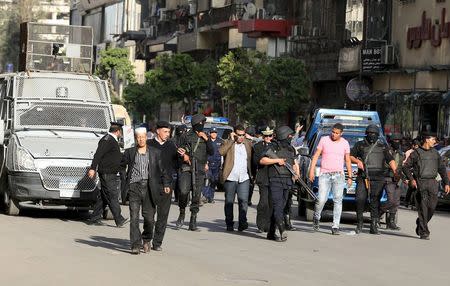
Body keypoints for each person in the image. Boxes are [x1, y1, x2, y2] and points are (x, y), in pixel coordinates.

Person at [121, 128, 172, 254]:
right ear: (135, 138)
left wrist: (166, 183)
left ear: (146, 137)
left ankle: (147, 238)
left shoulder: (155, 153)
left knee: (149, 218)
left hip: (150, 188)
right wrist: (125, 179)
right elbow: (121, 166)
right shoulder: (130, 152)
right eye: (138, 137)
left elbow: (163, 170)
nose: (141, 139)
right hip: (134, 187)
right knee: (134, 217)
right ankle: (135, 245)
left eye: (143, 137)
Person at [350, 124, 397, 235]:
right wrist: (358, 162)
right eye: (370, 133)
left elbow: (390, 160)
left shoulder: (383, 146)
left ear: (378, 135)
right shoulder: (359, 145)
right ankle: (359, 223)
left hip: (378, 178)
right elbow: (350, 156)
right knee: (360, 199)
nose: (372, 135)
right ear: (366, 134)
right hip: (363, 177)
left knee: (375, 202)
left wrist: (395, 171)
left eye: (374, 134)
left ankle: (373, 226)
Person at [402, 132, 450, 240]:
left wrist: (446, 183)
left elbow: (442, 169)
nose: (435, 141)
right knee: (423, 208)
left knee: (432, 207)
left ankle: (421, 222)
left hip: (433, 183)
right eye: (433, 139)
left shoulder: (436, 153)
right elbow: (405, 167)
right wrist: (411, 179)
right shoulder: (416, 153)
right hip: (421, 183)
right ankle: (424, 232)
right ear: (426, 140)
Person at [308, 123, 352, 235]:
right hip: (325, 174)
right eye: (333, 132)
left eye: (337, 133)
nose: (334, 134)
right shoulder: (324, 140)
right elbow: (316, 156)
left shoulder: (345, 143)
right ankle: (317, 216)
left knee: (338, 200)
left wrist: (350, 176)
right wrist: (312, 171)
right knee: (321, 199)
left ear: (341, 133)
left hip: (339, 175)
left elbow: (347, 160)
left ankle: (335, 226)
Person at [260, 126, 300, 242]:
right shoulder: (272, 147)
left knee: (280, 207)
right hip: (275, 179)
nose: (291, 137)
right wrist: (277, 160)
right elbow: (262, 160)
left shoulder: (291, 149)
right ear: (284, 135)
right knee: (278, 206)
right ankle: (282, 229)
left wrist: (296, 173)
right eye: (290, 136)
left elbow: (294, 162)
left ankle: (271, 233)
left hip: (287, 180)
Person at [176, 114, 214, 231]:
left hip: (200, 170)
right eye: (201, 123)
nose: (202, 125)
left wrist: (206, 139)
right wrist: (184, 156)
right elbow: (179, 150)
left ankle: (193, 220)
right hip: (187, 168)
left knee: (196, 196)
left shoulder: (205, 137)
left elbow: (212, 151)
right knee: (183, 192)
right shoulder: (186, 136)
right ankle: (182, 212)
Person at [88, 122, 128, 227]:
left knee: (104, 196)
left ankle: (94, 217)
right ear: (118, 131)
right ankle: (119, 219)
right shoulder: (107, 140)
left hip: (111, 172)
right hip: (107, 173)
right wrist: (93, 168)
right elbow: (98, 155)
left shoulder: (111, 140)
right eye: (121, 132)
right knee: (112, 196)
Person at [219, 125, 253, 231]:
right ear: (234, 134)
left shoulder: (248, 144)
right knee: (229, 202)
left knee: (243, 201)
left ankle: (242, 222)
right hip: (231, 177)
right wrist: (231, 140)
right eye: (239, 135)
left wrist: (252, 138)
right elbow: (221, 152)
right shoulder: (228, 142)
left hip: (244, 177)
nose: (241, 137)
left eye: (243, 135)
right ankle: (229, 223)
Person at [147, 121, 179, 202]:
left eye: (169, 132)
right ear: (158, 131)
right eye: (165, 132)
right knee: (149, 212)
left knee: (163, 212)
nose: (168, 134)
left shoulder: (171, 145)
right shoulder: (149, 144)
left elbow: (176, 163)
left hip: (167, 182)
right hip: (151, 182)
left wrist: (181, 156)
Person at [380, 133, 405, 230]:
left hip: (398, 179)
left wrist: (404, 178)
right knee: (390, 200)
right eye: (395, 141)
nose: (397, 142)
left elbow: (401, 166)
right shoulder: (387, 151)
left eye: (399, 141)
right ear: (391, 141)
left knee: (396, 202)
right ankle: (378, 213)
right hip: (388, 177)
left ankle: (391, 221)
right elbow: (385, 164)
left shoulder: (401, 153)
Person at [253, 126, 274, 232]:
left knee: (272, 203)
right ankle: (261, 225)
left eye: (270, 135)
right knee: (263, 202)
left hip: (274, 178)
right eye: (266, 135)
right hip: (263, 177)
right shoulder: (257, 146)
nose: (268, 137)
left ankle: (270, 225)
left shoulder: (276, 145)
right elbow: (256, 161)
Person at [203, 127, 223, 203]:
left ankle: (211, 197)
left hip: (217, 164)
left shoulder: (220, 141)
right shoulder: (206, 141)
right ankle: (205, 196)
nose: (214, 134)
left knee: (214, 181)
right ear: (210, 133)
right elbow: (204, 152)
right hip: (208, 164)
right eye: (212, 132)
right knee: (207, 180)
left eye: (215, 133)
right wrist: (205, 162)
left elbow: (223, 153)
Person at [172, 124, 188, 203]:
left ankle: (184, 198)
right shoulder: (174, 140)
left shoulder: (187, 139)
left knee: (183, 181)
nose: (183, 133)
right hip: (175, 163)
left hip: (184, 163)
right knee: (176, 181)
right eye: (182, 131)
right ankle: (177, 197)